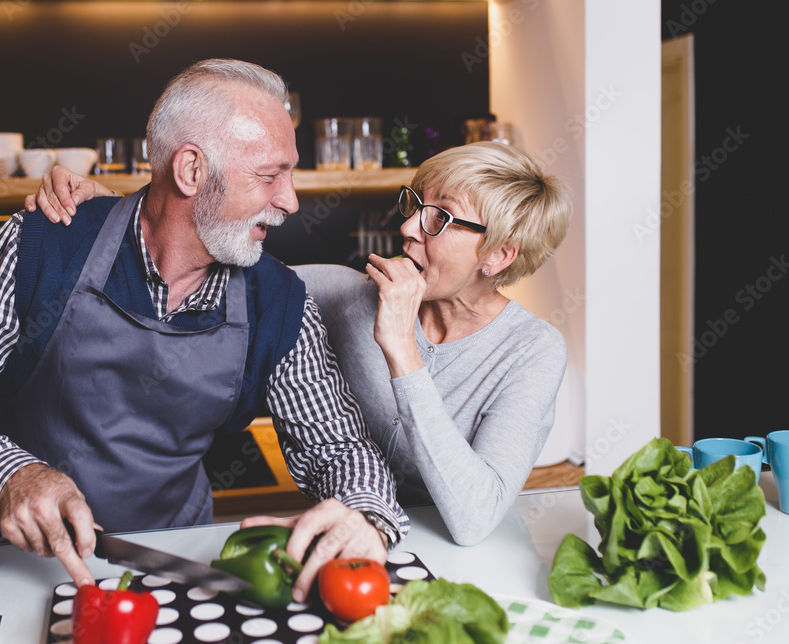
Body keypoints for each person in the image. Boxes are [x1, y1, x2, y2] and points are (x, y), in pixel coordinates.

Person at [0, 59, 407, 601]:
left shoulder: (277, 301)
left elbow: (337, 444)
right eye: (268, 176)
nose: (290, 201)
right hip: (17, 572)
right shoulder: (43, 245)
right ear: (190, 170)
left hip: (176, 567)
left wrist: (367, 516)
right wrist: (8, 477)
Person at [31, 140, 572, 546]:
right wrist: (126, 214)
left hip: (454, 553)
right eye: (414, 205)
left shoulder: (532, 352)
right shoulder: (346, 294)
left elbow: (475, 518)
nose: (409, 227)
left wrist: (402, 354)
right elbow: (234, 271)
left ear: (499, 255)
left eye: (440, 218)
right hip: (345, 540)